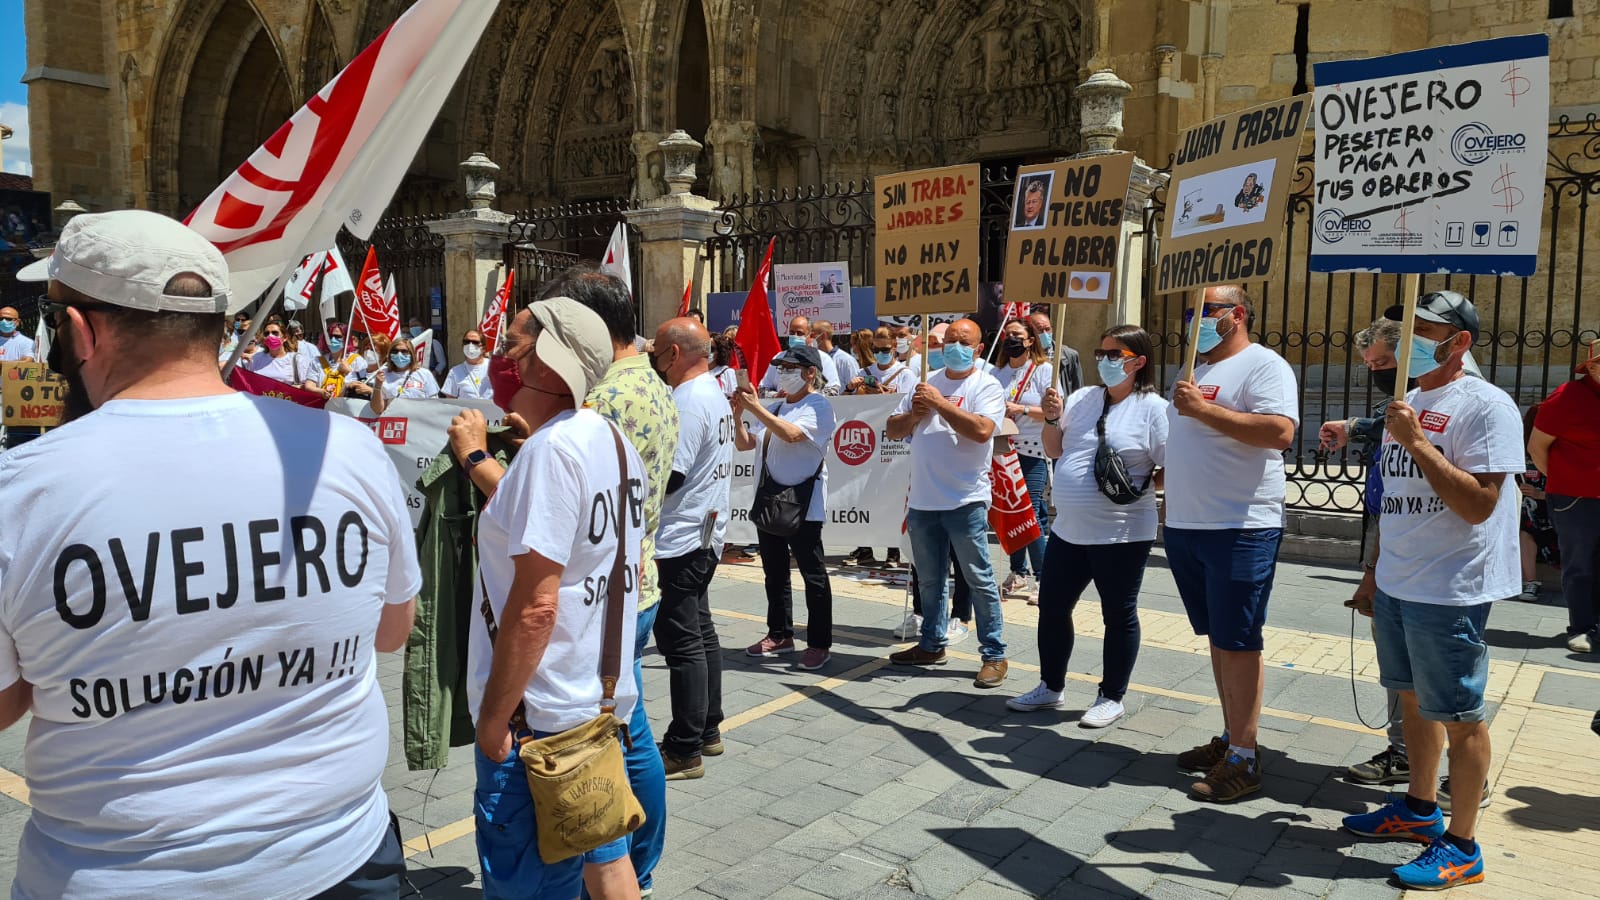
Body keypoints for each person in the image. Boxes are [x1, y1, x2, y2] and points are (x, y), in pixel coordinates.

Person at [3, 209, 419, 896]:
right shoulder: (345, 450)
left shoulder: (20, 491)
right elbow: (392, 629)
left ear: (79, 329)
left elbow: (7, 700)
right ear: (217, 325)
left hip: (122, 873)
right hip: (342, 857)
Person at [1341, 290, 1522, 890]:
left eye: (1424, 332)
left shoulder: (1486, 406)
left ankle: (1463, 845)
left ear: (1459, 342)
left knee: (1461, 715)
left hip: (1450, 587)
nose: (1411, 343)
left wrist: (1418, 443)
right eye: (1407, 331)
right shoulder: (1408, 399)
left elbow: (1479, 504)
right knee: (1411, 701)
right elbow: (1393, 503)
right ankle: (1419, 809)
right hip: (1397, 579)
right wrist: (1373, 572)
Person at [467, 296, 645, 899]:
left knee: (529, 885)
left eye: (514, 343)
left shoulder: (550, 453)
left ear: (549, 362)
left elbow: (537, 604)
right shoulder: (611, 440)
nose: (500, 355)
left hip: (537, 720)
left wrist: (493, 721)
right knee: (607, 858)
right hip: (596, 702)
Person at [538, 265, 674, 895]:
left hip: (605, 591)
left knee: (611, 735)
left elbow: (558, 504)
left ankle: (621, 859)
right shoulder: (646, 379)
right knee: (632, 724)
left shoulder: (606, 398)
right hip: (631, 579)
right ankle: (634, 862)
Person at [1165, 284, 1298, 803]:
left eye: (1204, 312)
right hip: (1188, 524)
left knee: (1240, 640)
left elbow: (1279, 432)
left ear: (1236, 315)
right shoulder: (1193, 370)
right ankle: (1229, 736)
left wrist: (1202, 411)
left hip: (1240, 525)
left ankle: (1245, 755)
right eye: (1188, 313)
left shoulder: (1265, 366)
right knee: (1219, 638)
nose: (1192, 320)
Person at [1008, 324, 1167, 727]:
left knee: (1118, 613)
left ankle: (1111, 696)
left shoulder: (1153, 408)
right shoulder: (1081, 398)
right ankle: (1051, 686)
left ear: (1139, 362)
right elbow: (1054, 448)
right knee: (1053, 606)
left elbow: (1177, 466)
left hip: (1121, 533)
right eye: (1102, 353)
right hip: (1069, 530)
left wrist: (1140, 486)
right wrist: (1050, 417)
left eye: (1115, 355)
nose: (1105, 361)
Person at [886, 318, 1009, 688]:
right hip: (924, 499)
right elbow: (892, 429)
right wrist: (914, 415)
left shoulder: (986, 385)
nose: (954, 345)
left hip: (965, 499)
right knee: (930, 579)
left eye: (963, 340)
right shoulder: (926, 382)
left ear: (978, 348)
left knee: (979, 579)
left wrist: (940, 405)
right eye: (949, 339)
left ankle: (994, 653)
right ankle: (931, 643)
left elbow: (983, 430)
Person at [1319, 317, 1415, 788]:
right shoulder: (1399, 399)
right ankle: (1405, 751)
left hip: (1429, 545)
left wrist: (1357, 426)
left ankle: (1451, 764)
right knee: (1394, 650)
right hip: (1390, 523)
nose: (1376, 370)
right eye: (1369, 364)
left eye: (1383, 362)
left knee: (1433, 660)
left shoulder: (1448, 398)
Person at [651, 318, 734, 780]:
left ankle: (685, 747)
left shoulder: (686, 400)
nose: (656, 361)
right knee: (700, 633)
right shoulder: (712, 392)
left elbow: (672, 474)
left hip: (681, 535)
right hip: (702, 530)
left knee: (683, 642)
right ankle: (707, 729)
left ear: (676, 354)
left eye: (659, 352)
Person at [735, 346, 838, 669]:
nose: (784, 372)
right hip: (771, 500)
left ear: (810, 373)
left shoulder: (818, 405)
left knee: (813, 574)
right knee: (774, 573)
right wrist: (739, 415)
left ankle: (820, 643)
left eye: (792, 367)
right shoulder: (777, 405)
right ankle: (779, 633)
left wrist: (757, 409)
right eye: (780, 366)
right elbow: (745, 443)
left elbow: (793, 435)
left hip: (803, 504)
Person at [1530, 338, 1600, 653]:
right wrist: (1561, 481)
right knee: (1581, 564)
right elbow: (1537, 447)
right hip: (1576, 498)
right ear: (1593, 367)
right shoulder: (1568, 397)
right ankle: (1582, 628)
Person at [843, 327, 915, 569]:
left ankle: (893, 551)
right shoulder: (863, 372)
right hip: (865, 442)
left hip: (892, 445)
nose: (881, 354)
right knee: (865, 495)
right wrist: (852, 388)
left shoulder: (905, 374)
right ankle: (865, 548)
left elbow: (910, 406)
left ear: (894, 347)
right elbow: (844, 407)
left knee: (891, 496)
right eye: (876, 350)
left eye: (885, 350)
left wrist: (886, 394)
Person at [994, 317, 1054, 600]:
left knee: (1030, 512)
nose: (1011, 339)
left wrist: (1022, 408)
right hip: (1004, 449)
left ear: (1031, 340)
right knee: (1010, 512)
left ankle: (1043, 577)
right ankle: (1018, 572)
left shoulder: (1044, 371)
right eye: (1008, 334)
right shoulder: (998, 373)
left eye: (1017, 335)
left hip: (1032, 449)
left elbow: (1055, 412)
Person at [1516, 404, 1559, 603]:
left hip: (1554, 504)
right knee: (1526, 530)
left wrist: (1539, 494)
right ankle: (1530, 582)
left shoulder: (1558, 450)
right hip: (1529, 506)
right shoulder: (1521, 451)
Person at [760, 315, 839, 395]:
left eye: (799, 333)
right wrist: (775, 395)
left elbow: (833, 391)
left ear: (811, 336)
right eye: (792, 333)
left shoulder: (823, 359)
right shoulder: (779, 357)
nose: (795, 336)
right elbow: (762, 390)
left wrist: (803, 395)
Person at [362, 336, 441, 413]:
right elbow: (378, 410)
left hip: (418, 422)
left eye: (404, 351)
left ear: (411, 354)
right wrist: (378, 386)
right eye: (395, 351)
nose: (399, 354)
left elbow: (434, 404)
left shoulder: (424, 374)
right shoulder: (382, 374)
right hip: (394, 422)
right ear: (390, 354)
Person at [1029, 310, 1083, 394]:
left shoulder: (1069, 355)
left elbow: (1078, 391)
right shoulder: (1025, 355)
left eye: (1047, 329)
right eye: (1040, 330)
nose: (1045, 333)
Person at [243, 319, 311, 385]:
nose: (270, 336)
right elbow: (251, 383)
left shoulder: (297, 359)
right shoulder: (256, 358)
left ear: (285, 337)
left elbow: (307, 386)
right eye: (267, 333)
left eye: (275, 333)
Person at [442, 328, 491, 399]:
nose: (470, 345)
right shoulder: (455, 372)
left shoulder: (494, 367)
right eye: (466, 342)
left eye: (475, 342)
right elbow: (450, 399)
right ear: (462, 346)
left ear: (483, 348)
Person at [812, 319, 857, 384]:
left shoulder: (846, 360)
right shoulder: (812, 359)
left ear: (823, 336)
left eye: (812, 335)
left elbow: (856, 390)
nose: (809, 339)